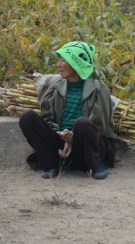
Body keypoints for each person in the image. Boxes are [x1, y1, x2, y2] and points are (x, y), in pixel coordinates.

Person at [18, 41, 116, 180]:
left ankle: (95, 164)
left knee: (82, 123)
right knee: (27, 117)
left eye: (63, 60)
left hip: (87, 149)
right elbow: (47, 119)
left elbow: (100, 126)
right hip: (61, 150)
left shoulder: (99, 89)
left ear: (76, 63)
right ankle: (52, 164)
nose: (58, 64)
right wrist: (61, 135)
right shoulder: (55, 88)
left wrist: (73, 137)